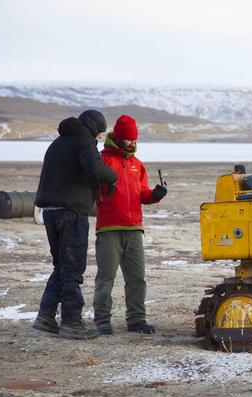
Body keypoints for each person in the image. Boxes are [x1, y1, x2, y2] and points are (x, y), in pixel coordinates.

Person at [32, 110, 118, 340]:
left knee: (60, 266)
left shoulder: (58, 143)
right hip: (71, 213)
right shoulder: (83, 143)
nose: (100, 137)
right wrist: (113, 176)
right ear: (94, 128)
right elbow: (95, 169)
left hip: (49, 212)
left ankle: (46, 316)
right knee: (72, 269)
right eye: (100, 133)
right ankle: (71, 322)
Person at [93, 115, 167, 335]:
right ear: (117, 137)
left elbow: (142, 194)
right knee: (106, 278)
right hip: (109, 229)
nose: (132, 143)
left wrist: (155, 195)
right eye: (128, 139)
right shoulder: (101, 161)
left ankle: (136, 320)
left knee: (137, 278)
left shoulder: (137, 165)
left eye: (134, 139)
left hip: (134, 228)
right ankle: (102, 321)